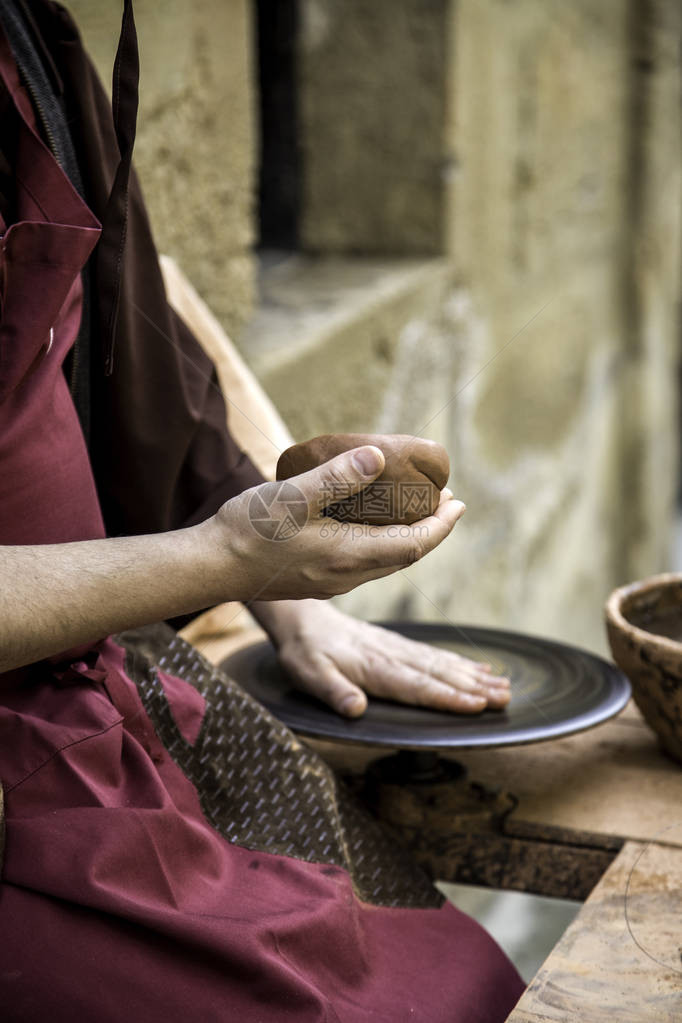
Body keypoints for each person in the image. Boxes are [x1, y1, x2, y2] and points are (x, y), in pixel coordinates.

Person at [0, 1, 524, 1018]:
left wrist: (294, 602)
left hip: (98, 667)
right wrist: (228, 556)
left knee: (456, 971)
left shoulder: (29, 37)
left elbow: (126, 309)